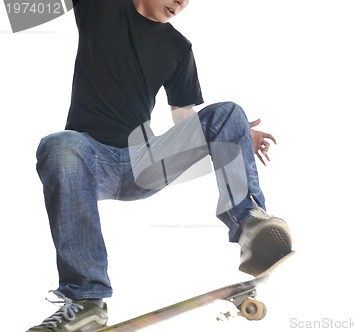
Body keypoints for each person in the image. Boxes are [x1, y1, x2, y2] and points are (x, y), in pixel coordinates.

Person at [27, 0, 292, 330]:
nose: (181, 3)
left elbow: (185, 120)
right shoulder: (101, 8)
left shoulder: (178, 47)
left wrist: (234, 129)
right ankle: (85, 301)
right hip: (91, 160)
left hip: (145, 162)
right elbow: (31, 9)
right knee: (59, 143)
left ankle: (250, 225)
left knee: (228, 113)